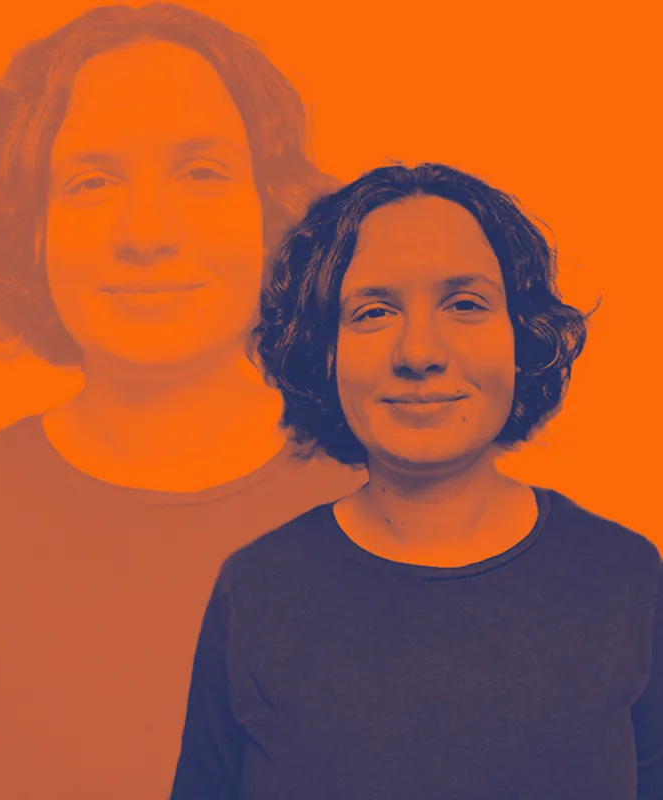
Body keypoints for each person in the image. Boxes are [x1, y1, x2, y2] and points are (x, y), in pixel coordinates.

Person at [0, 4, 365, 798]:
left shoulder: (391, 505)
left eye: (201, 173)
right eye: (92, 181)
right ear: (28, 228)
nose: (146, 232)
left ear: (271, 212)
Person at [170, 162, 663, 799]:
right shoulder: (257, 587)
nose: (419, 352)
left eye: (465, 304)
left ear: (521, 335)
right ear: (326, 350)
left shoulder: (625, 574)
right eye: (374, 312)